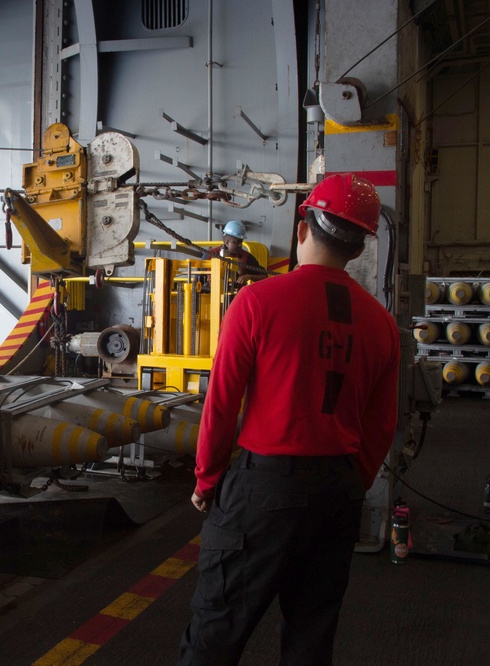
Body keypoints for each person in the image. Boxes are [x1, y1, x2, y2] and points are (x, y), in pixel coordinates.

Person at [179, 173, 400, 665]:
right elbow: (382, 423)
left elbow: (221, 403)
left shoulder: (257, 302)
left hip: (266, 489)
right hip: (338, 490)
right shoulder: (381, 322)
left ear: (303, 229)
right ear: (360, 249)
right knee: (310, 639)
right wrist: (348, 479)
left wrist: (207, 478)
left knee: (217, 631)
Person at [206, 219, 268, 283]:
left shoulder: (246, 257)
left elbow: (264, 276)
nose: (240, 245)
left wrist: (249, 276)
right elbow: (198, 276)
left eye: (241, 242)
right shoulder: (210, 254)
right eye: (236, 242)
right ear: (227, 242)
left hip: (238, 292)